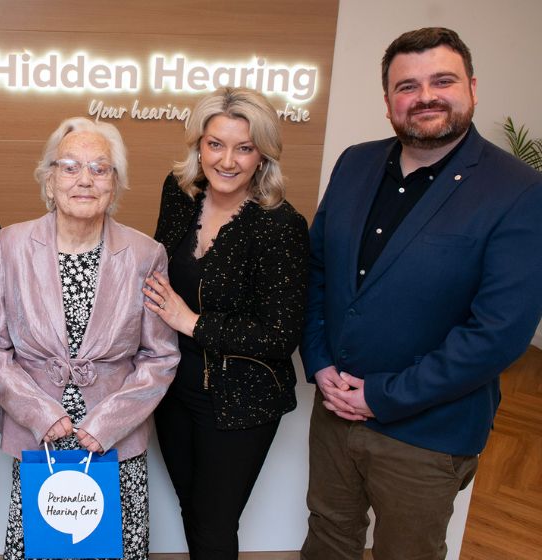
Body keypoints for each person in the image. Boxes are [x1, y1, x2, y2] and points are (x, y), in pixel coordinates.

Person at [300, 27, 542, 559]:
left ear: (472, 88)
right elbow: (317, 270)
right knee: (328, 535)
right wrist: (318, 362)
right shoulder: (355, 163)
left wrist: (382, 396)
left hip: (427, 430)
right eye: (407, 86)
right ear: (388, 101)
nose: (425, 96)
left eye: (443, 80)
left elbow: (498, 334)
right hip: (335, 409)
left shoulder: (518, 191)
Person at [0, 116, 179, 560]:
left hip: (114, 441)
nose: (84, 179)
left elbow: (159, 357)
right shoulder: (8, 246)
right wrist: (39, 412)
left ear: (114, 183)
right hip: (39, 438)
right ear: (49, 181)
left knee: (112, 550)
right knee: (44, 550)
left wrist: (106, 424)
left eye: (99, 168)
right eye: (69, 166)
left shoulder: (146, 254)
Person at [141, 86, 308, 559]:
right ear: (199, 145)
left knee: (215, 525)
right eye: (216, 144)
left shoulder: (280, 225)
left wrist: (191, 321)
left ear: (263, 155)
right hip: (174, 388)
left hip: (241, 400)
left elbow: (280, 335)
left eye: (244, 147)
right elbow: (156, 273)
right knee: (191, 510)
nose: (227, 160)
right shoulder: (179, 193)